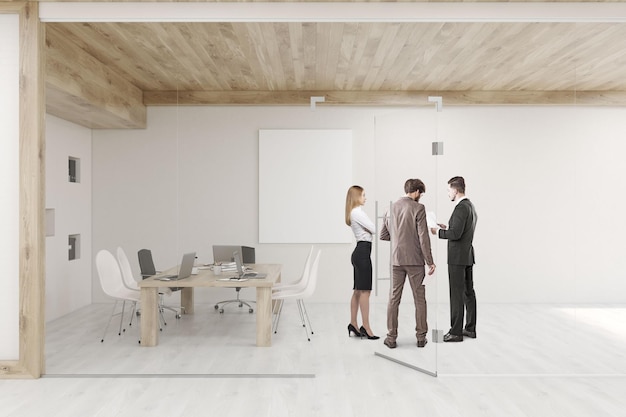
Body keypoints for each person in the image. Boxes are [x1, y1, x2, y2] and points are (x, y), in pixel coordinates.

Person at [380, 179, 436, 349]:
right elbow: (423, 238)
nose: (421, 197)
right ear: (417, 192)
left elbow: (383, 235)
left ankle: (391, 338)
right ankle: (420, 337)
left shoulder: (390, 208)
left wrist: (399, 237)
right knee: (419, 299)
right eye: (421, 193)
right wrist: (430, 262)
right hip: (415, 261)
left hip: (396, 260)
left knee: (393, 298)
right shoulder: (419, 208)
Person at [431, 176, 478, 342]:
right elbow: (461, 231)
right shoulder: (470, 206)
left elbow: (456, 235)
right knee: (468, 293)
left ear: (455, 190)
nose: (448, 193)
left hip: (457, 258)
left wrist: (438, 232)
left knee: (456, 294)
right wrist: (448, 227)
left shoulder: (460, 208)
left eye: (449, 190)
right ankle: (470, 329)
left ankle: (456, 332)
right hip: (467, 255)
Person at [345, 185, 379, 340]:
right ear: (356, 196)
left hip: (360, 252)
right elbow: (374, 228)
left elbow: (371, 229)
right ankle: (366, 326)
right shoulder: (357, 212)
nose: (365, 198)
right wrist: (369, 230)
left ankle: (353, 323)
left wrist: (369, 230)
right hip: (363, 253)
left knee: (358, 290)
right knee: (365, 291)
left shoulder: (354, 213)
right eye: (363, 195)